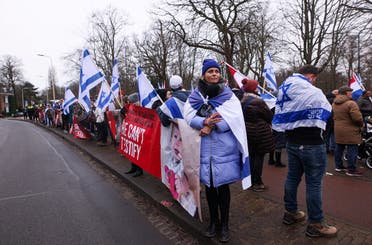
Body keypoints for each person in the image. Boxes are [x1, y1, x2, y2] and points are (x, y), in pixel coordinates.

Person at [184, 59, 249, 242]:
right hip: (204, 149)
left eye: (216, 71)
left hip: (224, 150)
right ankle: (214, 222)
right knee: (210, 189)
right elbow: (188, 115)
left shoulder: (228, 96)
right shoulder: (195, 96)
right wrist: (203, 122)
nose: (214, 74)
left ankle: (225, 225)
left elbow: (235, 119)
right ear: (204, 74)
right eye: (210, 71)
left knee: (223, 189)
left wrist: (213, 126)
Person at [272, 64, 337, 237]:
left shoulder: (285, 87)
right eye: (314, 78)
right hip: (312, 143)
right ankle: (316, 223)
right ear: (311, 76)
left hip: (292, 142)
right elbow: (327, 113)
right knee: (314, 183)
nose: (314, 82)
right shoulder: (312, 92)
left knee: (292, 177)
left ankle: (291, 213)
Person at [240, 78, 275, 192]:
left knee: (251, 157)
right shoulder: (258, 102)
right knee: (258, 158)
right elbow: (269, 116)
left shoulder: (242, 100)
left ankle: (249, 181)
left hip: (247, 132)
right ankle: (257, 183)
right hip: (259, 133)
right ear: (253, 88)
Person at [333, 85, 364, 176]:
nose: (352, 93)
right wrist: (361, 125)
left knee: (339, 148)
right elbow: (357, 118)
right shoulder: (351, 103)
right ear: (346, 92)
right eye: (350, 91)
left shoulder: (334, 103)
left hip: (338, 128)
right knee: (352, 149)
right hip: (351, 129)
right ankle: (351, 169)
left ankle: (339, 166)